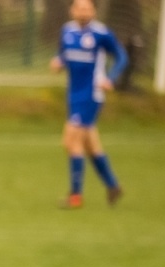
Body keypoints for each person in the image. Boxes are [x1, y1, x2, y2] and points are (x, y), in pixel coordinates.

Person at [50, 0, 127, 208]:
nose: (84, 12)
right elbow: (64, 54)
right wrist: (58, 62)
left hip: (91, 94)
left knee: (70, 141)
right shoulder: (67, 31)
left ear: (93, 11)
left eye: (88, 9)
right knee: (91, 145)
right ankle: (113, 186)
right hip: (73, 94)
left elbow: (121, 56)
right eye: (80, 8)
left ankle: (75, 196)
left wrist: (110, 78)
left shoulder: (101, 34)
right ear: (72, 11)